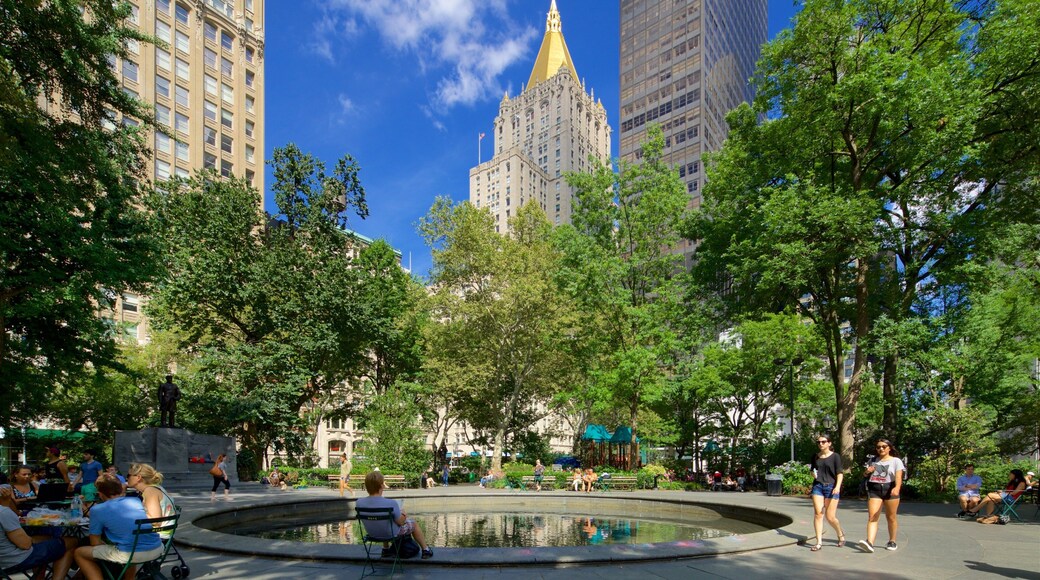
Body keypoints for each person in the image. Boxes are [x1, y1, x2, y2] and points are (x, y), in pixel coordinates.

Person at [74, 474, 163, 580]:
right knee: (130, 543)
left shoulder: (97, 510)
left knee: (79, 553)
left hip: (130, 554)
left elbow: (94, 543)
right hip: (157, 548)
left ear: (100, 494)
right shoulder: (135, 501)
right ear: (120, 488)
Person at [0, 486, 77, 580]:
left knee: (46, 540)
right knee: (72, 541)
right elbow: (25, 545)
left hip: (4, 560)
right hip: (13, 561)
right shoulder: (4, 512)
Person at [355, 471, 433, 560]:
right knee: (413, 524)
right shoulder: (390, 503)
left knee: (384, 522)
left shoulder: (359, 502)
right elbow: (401, 522)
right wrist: (403, 513)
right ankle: (426, 550)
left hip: (372, 534)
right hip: (391, 534)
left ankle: (385, 550)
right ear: (381, 486)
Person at [857, 438, 905, 553]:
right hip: (875, 489)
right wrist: (868, 471)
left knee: (891, 517)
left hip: (890, 489)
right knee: (873, 517)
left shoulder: (896, 461)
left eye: (884, 446)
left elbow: (898, 476)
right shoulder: (873, 460)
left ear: (889, 448)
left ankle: (892, 541)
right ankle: (870, 542)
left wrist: (897, 488)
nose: (881, 449)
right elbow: (865, 474)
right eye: (878, 447)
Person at [807, 435, 845, 552]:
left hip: (831, 487)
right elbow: (812, 470)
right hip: (818, 486)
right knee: (818, 514)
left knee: (830, 517)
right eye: (818, 442)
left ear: (829, 443)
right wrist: (813, 474)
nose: (821, 444)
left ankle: (840, 534)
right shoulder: (815, 456)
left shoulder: (835, 456)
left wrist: (837, 486)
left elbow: (839, 473)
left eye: (823, 442)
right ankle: (819, 542)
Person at [126, 464, 176, 541]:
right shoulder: (156, 487)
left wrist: (131, 515)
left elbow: (155, 521)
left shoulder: (150, 491)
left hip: (158, 536)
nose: (126, 478)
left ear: (138, 477)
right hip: (164, 533)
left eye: (128, 475)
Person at [964, 469, 1028, 519]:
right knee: (990, 499)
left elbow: (1014, 493)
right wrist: (1001, 491)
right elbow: (1008, 490)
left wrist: (1003, 493)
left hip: (1011, 498)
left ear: (1015, 475)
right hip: (1006, 496)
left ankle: (975, 509)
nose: (1009, 475)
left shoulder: (1021, 483)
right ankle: (989, 515)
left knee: (990, 495)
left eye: (1010, 474)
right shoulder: (1012, 482)